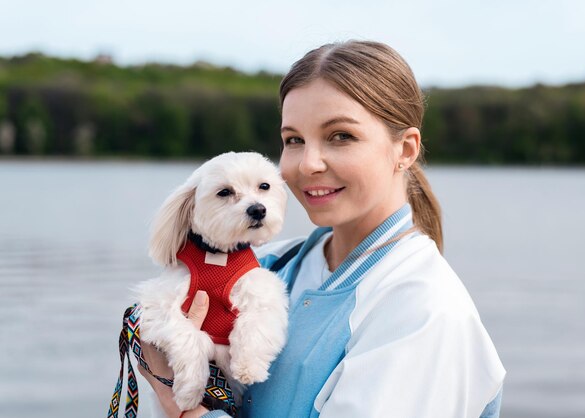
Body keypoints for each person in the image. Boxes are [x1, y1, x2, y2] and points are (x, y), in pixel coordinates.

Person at [140, 40, 506, 418]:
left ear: (406, 150)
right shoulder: (267, 262)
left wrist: (187, 409)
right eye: (294, 140)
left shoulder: (425, 313)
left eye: (341, 136)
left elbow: (181, 398)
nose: (309, 163)